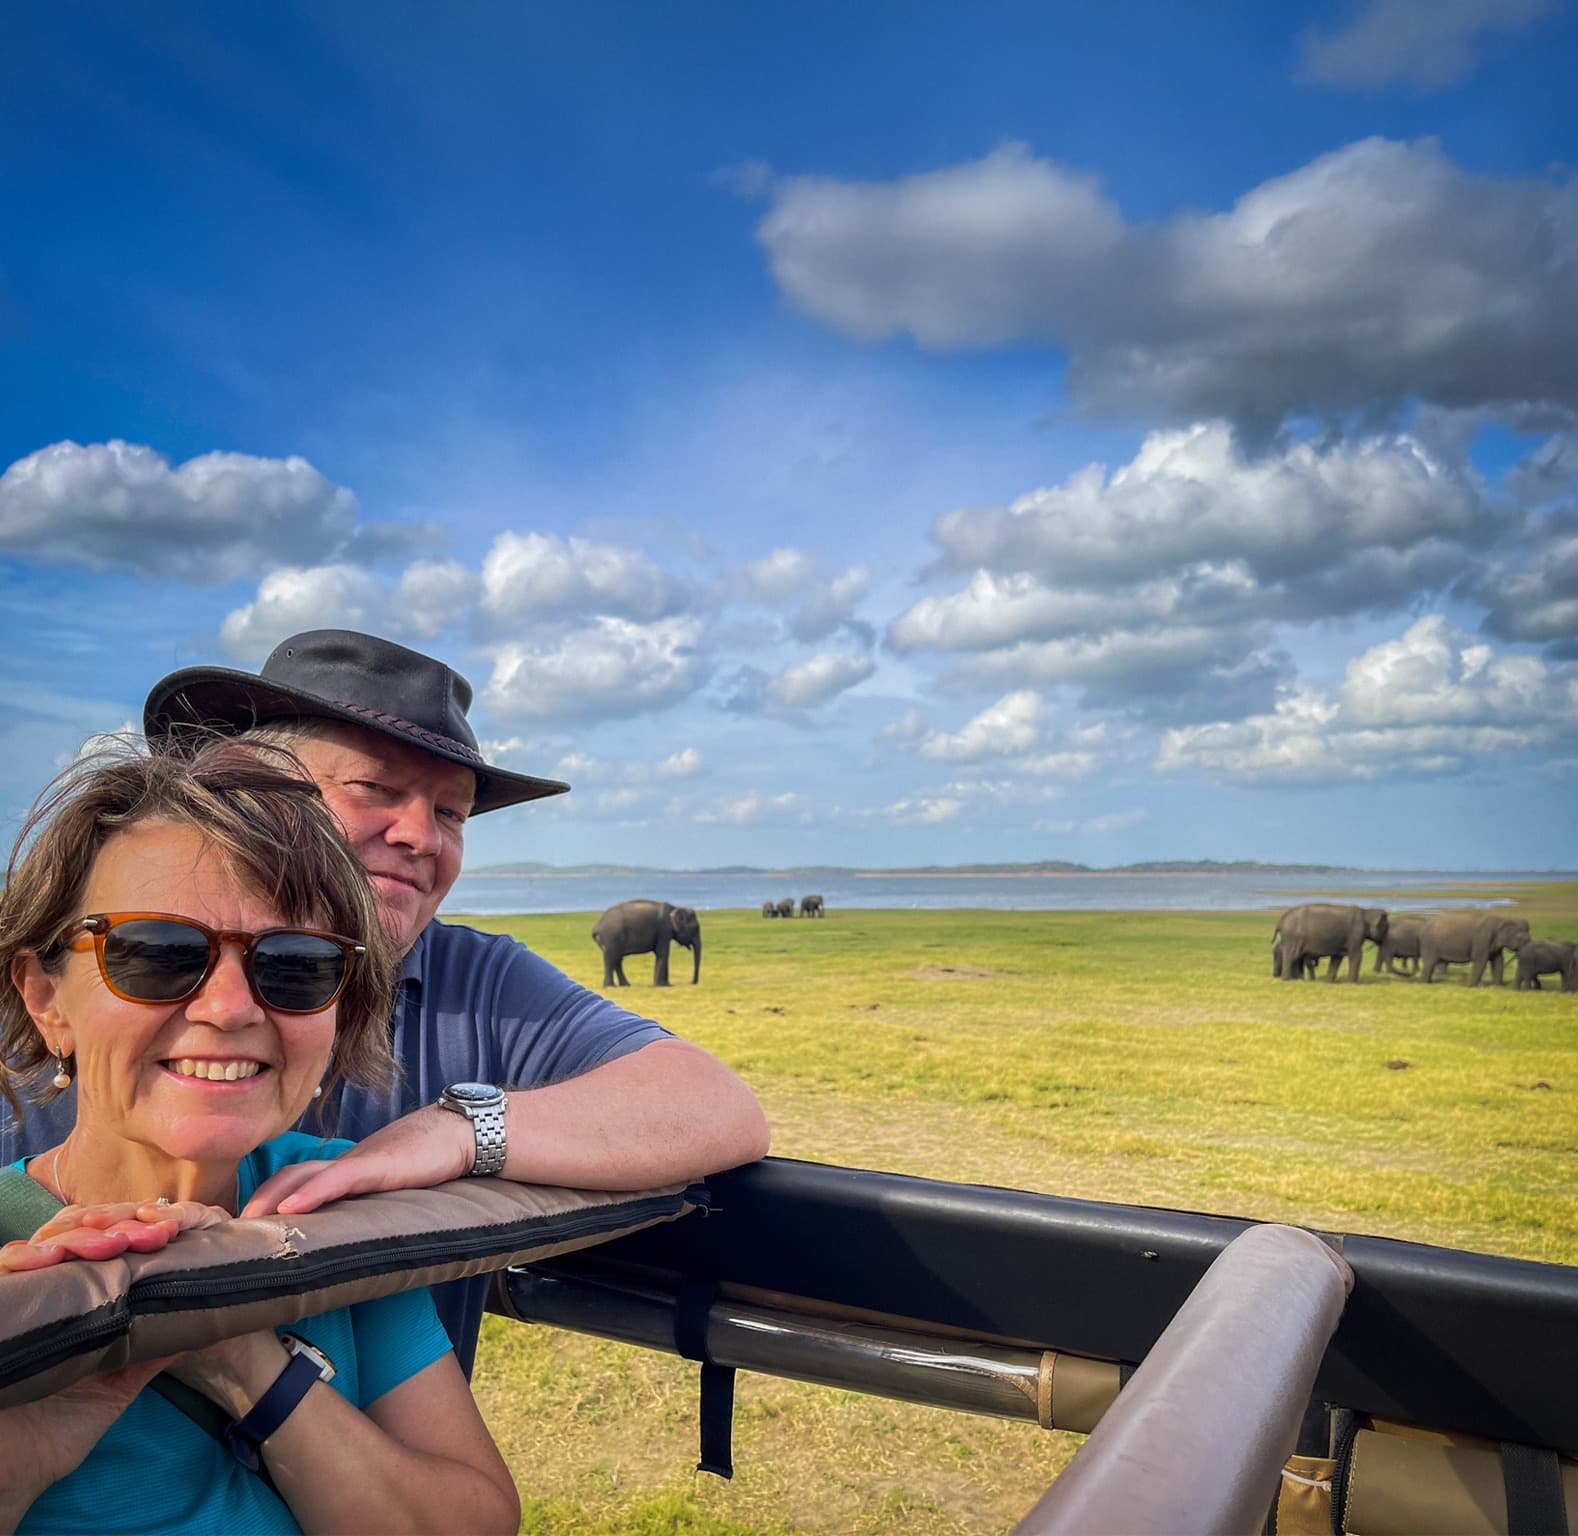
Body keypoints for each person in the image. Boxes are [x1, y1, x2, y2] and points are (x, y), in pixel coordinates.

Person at [1, 628, 770, 1376]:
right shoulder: (82, 977)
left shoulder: (480, 980)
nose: (421, 837)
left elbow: (716, 1106)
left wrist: (460, 1131)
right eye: (374, 788)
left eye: (451, 813)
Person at [0, 741, 520, 1534]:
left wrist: (240, 1352)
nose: (231, 1007)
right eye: (156, 953)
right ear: (46, 998)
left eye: (298, 965)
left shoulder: (336, 1204)